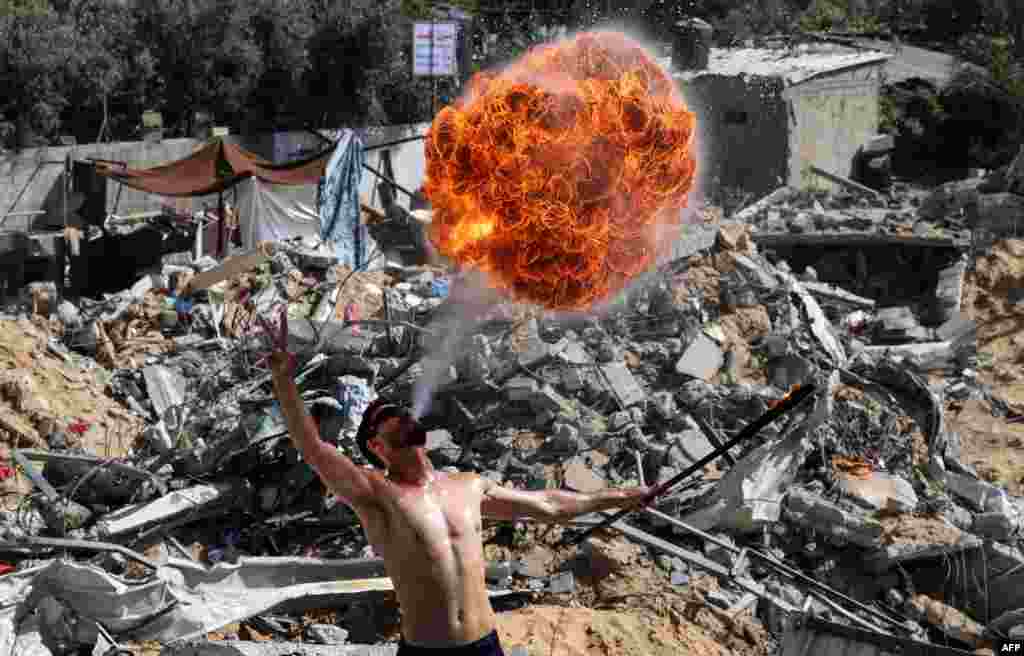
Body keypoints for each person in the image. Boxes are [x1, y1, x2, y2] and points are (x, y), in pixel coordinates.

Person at [268, 349, 653, 655]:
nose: (400, 415)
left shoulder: (468, 485)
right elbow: (314, 449)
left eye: (401, 411)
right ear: (375, 445)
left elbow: (549, 505)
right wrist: (284, 381)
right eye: (387, 416)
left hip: (484, 645)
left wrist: (618, 497)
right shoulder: (376, 493)